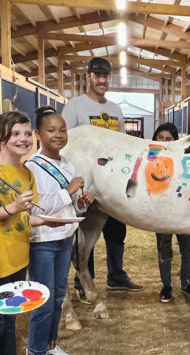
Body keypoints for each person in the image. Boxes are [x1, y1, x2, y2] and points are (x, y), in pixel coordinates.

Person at [0, 111, 55, 355]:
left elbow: (24, 216)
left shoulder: (25, 172)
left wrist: (44, 220)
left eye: (27, 133)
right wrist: (11, 207)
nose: (23, 139)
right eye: (16, 134)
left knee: (9, 321)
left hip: (19, 257)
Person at [22, 107, 95, 355]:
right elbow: (37, 210)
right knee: (43, 300)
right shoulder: (32, 167)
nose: (58, 135)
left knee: (57, 298)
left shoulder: (67, 164)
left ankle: (49, 346)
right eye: (51, 130)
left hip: (64, 237)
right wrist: (69, 191)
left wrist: (81, 202)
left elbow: (68, 207)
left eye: (62, 130)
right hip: (42, 242)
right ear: (38, 134)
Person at [61, 56, 142, 294]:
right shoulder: (75, 106)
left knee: (116, 232)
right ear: (88, 77)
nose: (101, 80)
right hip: (85, 179)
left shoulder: (115, 110)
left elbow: (121, 145)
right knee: (82, 229)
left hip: (111, 179)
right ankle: (82, 281)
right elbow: (66, 143)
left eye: (105, 76)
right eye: (97, 75)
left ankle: (116, 275)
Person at [151, 123, 190, 302]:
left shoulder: (183, 158)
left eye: (169, 139)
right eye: (160, 137)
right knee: (164, 250)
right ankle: (166, 286)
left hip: (183, 213)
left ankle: (186, 284)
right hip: (162, 213)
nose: (164, 142)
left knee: (188, 250)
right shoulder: (150, 161)